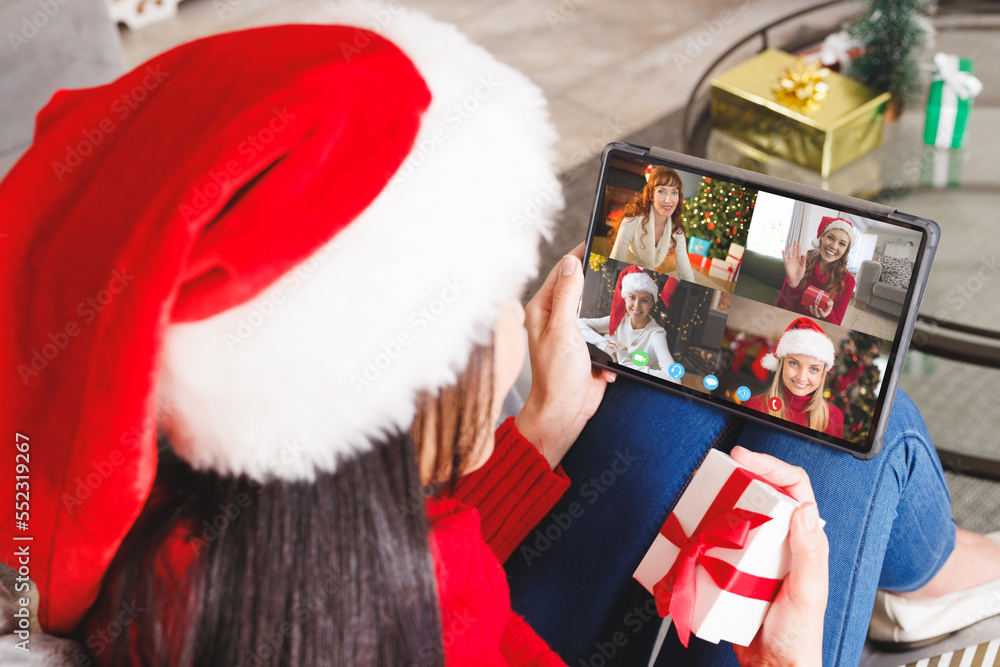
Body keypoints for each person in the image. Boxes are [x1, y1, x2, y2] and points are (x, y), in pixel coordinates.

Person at [3, 10, 1000, 667]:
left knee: (668, 388)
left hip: (495, 592)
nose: (512, 325)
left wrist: (534, 437)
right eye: (477, 318)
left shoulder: (194, 537)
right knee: (841, 439)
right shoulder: (431, 612)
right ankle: (936, 571)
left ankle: (928, 572)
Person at [742, 317, 845, 439]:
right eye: (794, 364)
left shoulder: (834, 417)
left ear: (822, 374)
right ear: (782, 364)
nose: (801, 377)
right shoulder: (753, 406)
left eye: (814, 369)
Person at [577, 266, 678, 382]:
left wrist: (625, 362)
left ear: (651, 304)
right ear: (625, 298)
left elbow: (674, 378)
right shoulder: (619, 320)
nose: (636, 306)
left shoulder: (656, 334)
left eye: (644, 300)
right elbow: (579, 323)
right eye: (632, 297)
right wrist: (605, 345)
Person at [609, 166, 696, 283]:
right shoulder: (631, 222)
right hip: (624, 279)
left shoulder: (676, 232)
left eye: (674, 192)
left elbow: (686, 274)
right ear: (651, 195)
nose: (668, 200)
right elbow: (614, 264)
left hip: (647, 281)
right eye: (661, 191)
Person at [777, 217, 857, 325]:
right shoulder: (799, 264)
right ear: (821, 238)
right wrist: (793, 284)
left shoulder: (848, 281)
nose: (833, 246)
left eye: (842, 244)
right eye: (830, 237)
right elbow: (781, 308)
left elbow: (835, 325)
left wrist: (827, 315)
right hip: (789, 323)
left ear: (846, 250)